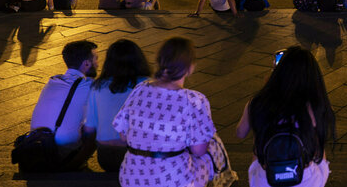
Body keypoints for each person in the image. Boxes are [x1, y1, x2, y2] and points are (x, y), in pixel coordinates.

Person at [112, 37, 229, 187]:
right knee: (212, 147)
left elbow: (123, 135)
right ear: (190, 67)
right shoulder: (194, 100)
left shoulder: (140, 88)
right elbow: (198, 150)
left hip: (131, 177)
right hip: (171, 179)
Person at [236, 46, 335, 187]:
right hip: (306, 179)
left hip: (264, 179)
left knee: (260, 135)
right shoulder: (315, 106)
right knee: (317, 144)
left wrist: (266, 91)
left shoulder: (256, 103)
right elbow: (319, 144)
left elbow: (240, 133)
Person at [84, 39, 151, 172]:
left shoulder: (98, 86)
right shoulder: (148, 85)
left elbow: (89, 128)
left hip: (106, 156)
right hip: (135, 155)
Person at [31, 41, 98, 170]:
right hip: (62, 153)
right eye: (95, 59)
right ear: (86, 63)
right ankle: (71, 168)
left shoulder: (52, 81)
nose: (97, 63)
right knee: (98, 124)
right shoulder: (89, 85)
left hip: (38, 146)